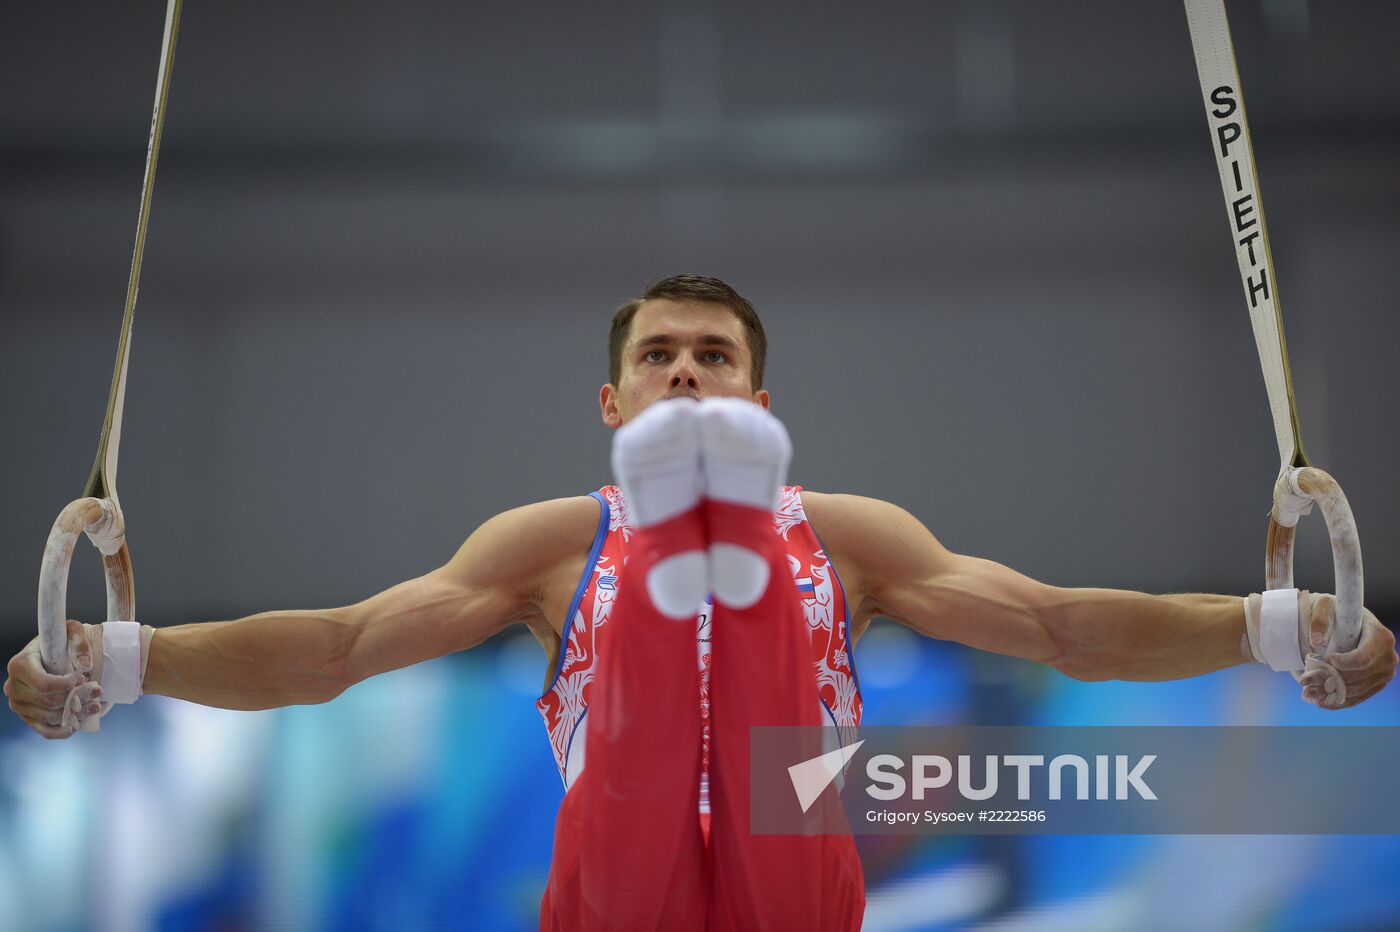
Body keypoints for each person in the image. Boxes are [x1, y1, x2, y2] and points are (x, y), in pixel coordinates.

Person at [5, 274, 1397, 930]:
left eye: (711, 358)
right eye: (659, 358)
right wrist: (124, 660)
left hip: (793, 862)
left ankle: (704, 549)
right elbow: (343, 648)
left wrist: (1271, 632)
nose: (684, 369)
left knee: (790, 770)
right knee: (636, 771)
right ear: (614, 403)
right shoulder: (544, 547)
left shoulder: (854, 538)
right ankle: (686, 550)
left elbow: (1059, 629)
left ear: (755, 397)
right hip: (624, 876)